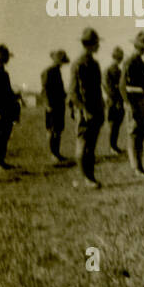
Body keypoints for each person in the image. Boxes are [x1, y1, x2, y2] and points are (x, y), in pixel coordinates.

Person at [69, 27, 105, 189]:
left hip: (96, 110)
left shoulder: (95, 64)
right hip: (85, 112)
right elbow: (73, 91)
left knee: (91, 146)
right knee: (83, 145)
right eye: (96, 43)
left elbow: (97, 89)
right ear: (90, 44)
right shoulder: (78, 64)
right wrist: (82, 110)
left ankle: (90, 177)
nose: (98, 46)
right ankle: (86, 178)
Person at [120, 31, 144, 178]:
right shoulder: (129, 62)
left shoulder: (141, 62)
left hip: (143, 103)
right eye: (141, 46)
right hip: (133, 103)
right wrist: (129, 104)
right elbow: (122, 86)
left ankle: (140, 166)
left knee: (141, 135)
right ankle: (136, 167)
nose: (143, 49)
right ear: (135, 46)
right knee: (134, 134)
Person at [41, 49, 70, 163]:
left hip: (59, 105)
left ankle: (56, 153)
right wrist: (48, 104)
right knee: (53, 130)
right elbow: (45, 89)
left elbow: (60, 90)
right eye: (61, 61)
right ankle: (53, 154)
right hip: (52, 106)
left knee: (58, 130)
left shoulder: (57, 71)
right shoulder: (49, 71)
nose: (62, 64)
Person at [0, 44, 20, 169]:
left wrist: (15, 96)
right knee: (0, 136)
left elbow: (7, 92)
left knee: (4, 136)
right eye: (6, 56)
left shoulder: (4, 73)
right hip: (0, 110)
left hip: (6, 110)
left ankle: (1, 160)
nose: (8, 59)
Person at [103, 46, 125, 154]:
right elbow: (108, 87)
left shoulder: (119, 71)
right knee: (112, 125)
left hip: (120, 102)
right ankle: (112, 147)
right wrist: (115, 101)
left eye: (120, 57)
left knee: (117, 125)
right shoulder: (108, 70)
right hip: (112, 102)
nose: (119, 59)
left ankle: (114, 146)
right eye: (118, 57)